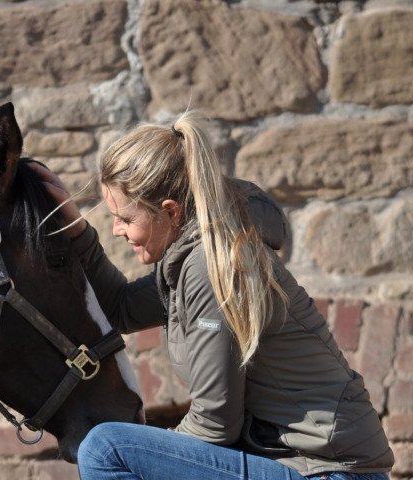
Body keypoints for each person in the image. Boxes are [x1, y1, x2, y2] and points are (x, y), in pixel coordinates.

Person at [30, 110, 394, 480]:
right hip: (301, 465)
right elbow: (121, 309)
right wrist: (76, 230)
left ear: (170, 212)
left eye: (124, 218)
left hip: (330, 472)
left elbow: (215, 424)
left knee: (105, 449)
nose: (117, 230)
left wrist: (154, 456)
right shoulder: (196, 258)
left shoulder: (212, 266)